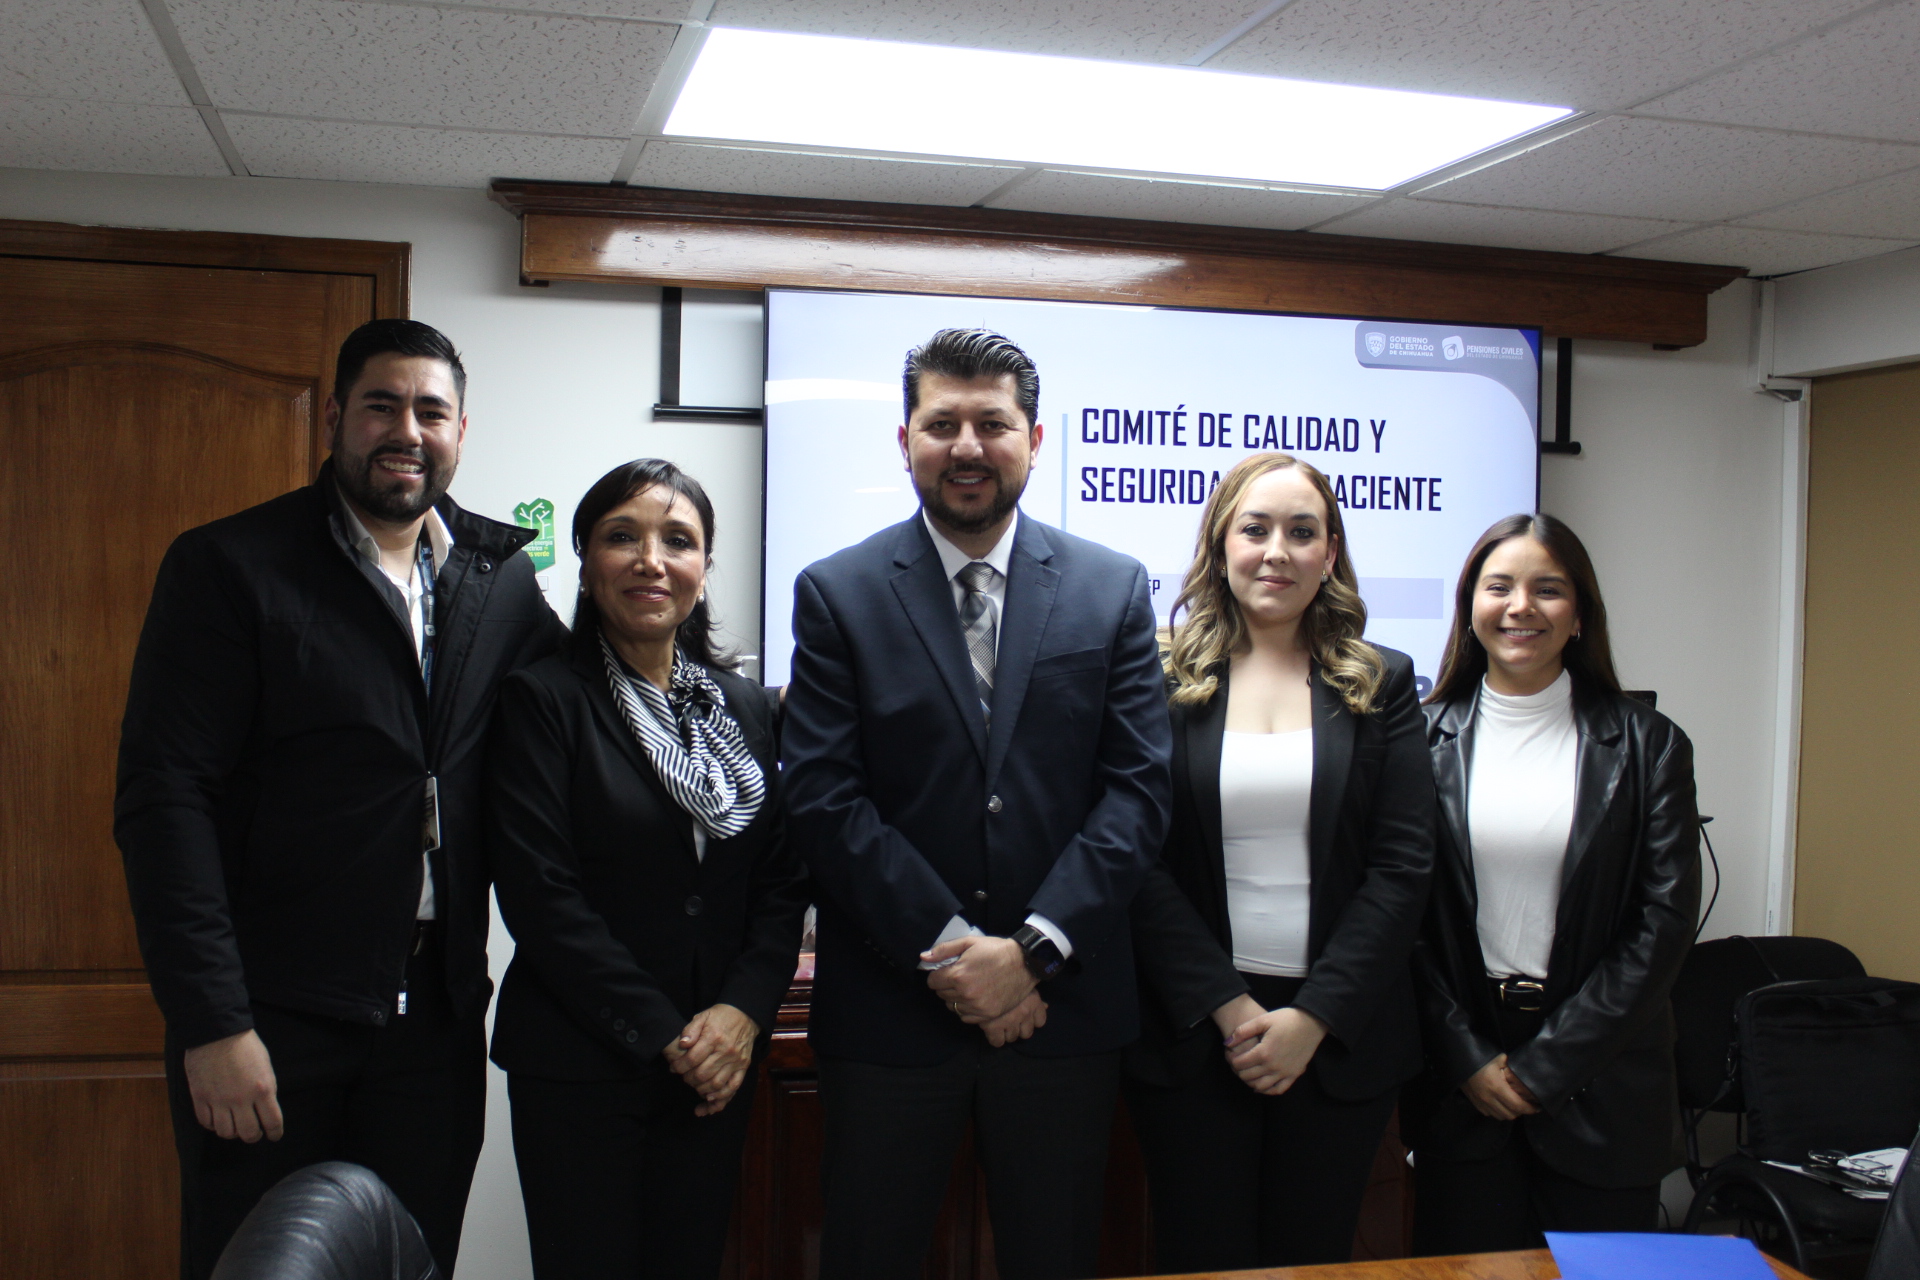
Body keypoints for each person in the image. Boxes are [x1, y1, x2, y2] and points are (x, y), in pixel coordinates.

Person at [115, 319, 566, 1279]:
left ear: (460, 430)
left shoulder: (497, 579)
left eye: (431, 411)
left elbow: (583, 709)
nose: (407, 430)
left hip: (435, 1028)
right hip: (273, 1023)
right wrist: (213, 1023)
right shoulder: (230, 566)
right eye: (381, 406)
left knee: (410, 1262)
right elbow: (166, 803)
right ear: (334, 419)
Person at [781, 328, 1172, 1280]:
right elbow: (825, 799)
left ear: (1034, 440)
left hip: (1062, 1018)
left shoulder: (1112, 587)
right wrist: (959, 954)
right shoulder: (836, 592)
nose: (967, 446)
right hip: (889, 1020)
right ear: (904, 441)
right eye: (942, 424)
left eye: (991, 424)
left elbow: (1136, 794)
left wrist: (1031, 953)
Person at [485, 460, 807, 1279]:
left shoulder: (741, 707)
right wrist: (671, 1036)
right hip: (583, 1064)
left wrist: (741, 1013)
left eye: (679, 541)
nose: (651, 560)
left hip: (716, 1064)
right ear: (586, 562)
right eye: (622, 536)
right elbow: (542, 898)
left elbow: (779, 883)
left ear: (704, 567)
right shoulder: (542, 700)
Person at [1123, 453, 1434, 1271]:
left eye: (1302, 532)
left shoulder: (1383, 682)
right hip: (1195, 1033)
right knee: (1202, 1259)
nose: (1276, 551)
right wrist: (1229, 1007)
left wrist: (1313, 1017)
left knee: (1313, 1259)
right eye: (1255, 529)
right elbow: (1136, 857)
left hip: (1338, 1041)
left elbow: (1403, 868)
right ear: (1221, 543)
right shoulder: (1156, 677)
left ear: (1329, 553)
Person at [1404, 513, 1701, 1252]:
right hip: (1462, 1087)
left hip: (1602, 1083)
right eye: (1498, 586)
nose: (1520, 607)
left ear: (1579, 614)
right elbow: (1399, 919)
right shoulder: (1414, 740)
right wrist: (1466, 1057)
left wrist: (1547, 1066)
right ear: (1470, 607)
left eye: (1547, 589)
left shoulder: (1650, 745)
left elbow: (1662, 923)